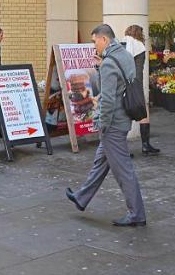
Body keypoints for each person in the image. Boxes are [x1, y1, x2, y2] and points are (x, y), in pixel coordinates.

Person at [65, 24, 146, 227]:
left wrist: (102, 124)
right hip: (123, 119)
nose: (94, 46)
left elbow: (108, 98)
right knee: (100, 163)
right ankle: (82, 197)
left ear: (104, 40)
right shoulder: (124, 55)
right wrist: (100, 67)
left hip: (113, 124)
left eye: (94, 41)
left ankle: (137, 214)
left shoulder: (110, 63)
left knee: (123, 171)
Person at [122, 24, 159, 155]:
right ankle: (145, 145)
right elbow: (139, 70)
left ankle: (123, 149)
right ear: (140, 34)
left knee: (123, 113)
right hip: (135, 83)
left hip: (121, 82)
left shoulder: (122, 44)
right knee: (143, 111)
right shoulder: (140, 46)